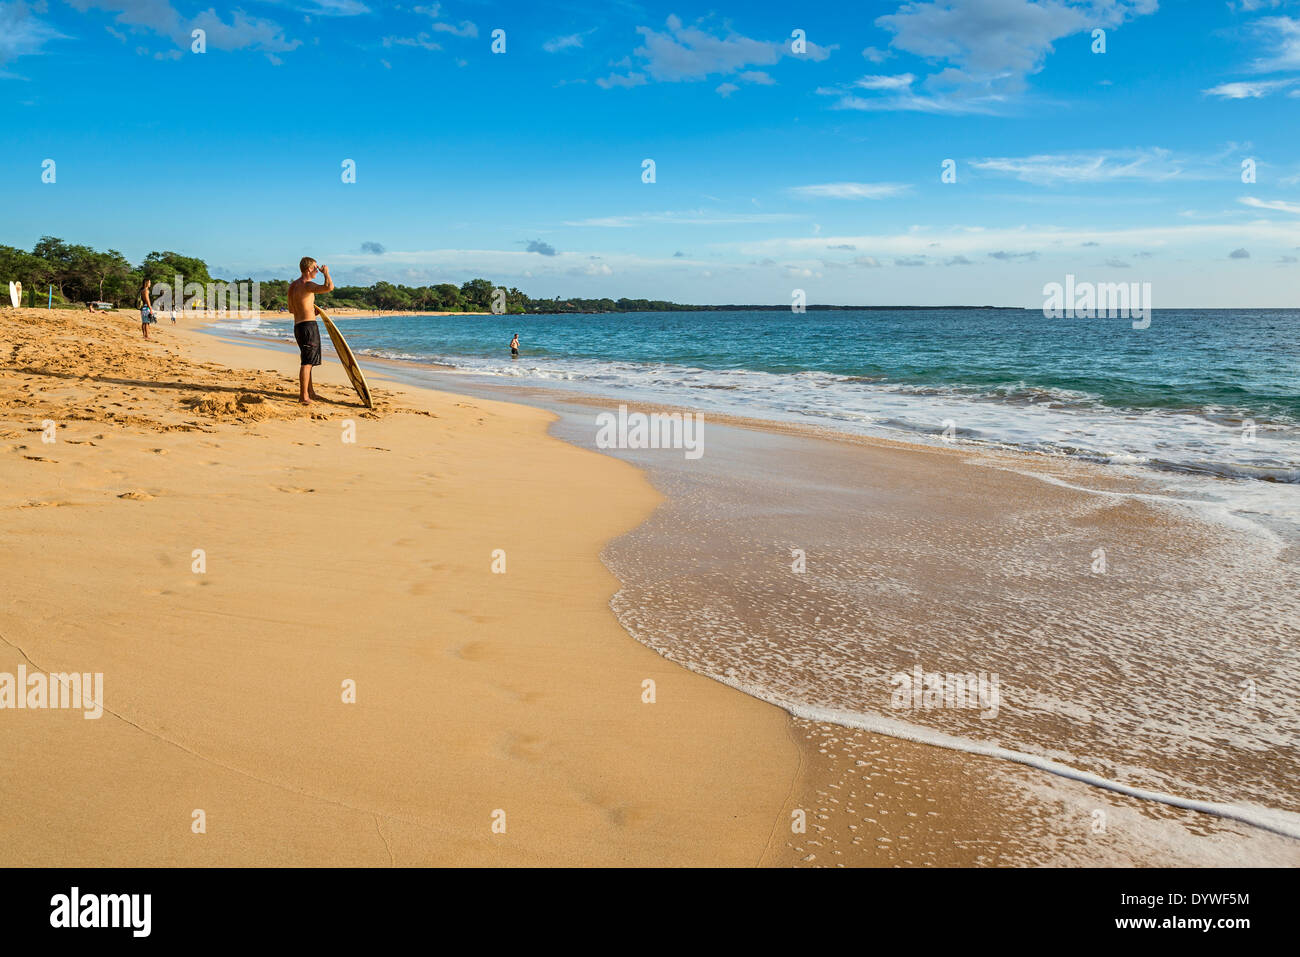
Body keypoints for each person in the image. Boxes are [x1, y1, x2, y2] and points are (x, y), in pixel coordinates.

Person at [287, 256, 334, 404]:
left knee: (308, 360)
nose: (317, 270)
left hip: (298, 327)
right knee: (307, 363)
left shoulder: (292, 286)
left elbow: (291, 309)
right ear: (308, 269)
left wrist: (309, 311)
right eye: (315, 268)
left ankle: (310, 392)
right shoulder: (307, 285)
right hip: (308, 328)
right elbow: (329, 287)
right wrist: (326, 273)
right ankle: (303, 397)